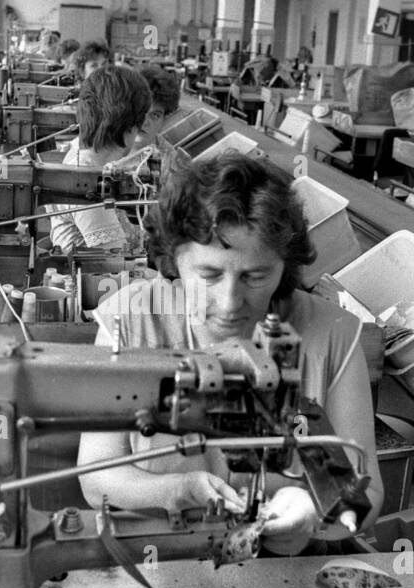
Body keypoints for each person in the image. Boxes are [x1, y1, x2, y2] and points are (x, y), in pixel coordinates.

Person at [77, 153, 385, 555]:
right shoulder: (131, 321)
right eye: (208, 276)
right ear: (174, 259)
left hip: (286, 565)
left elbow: (368, 492)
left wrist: (313, 518)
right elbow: (96, 476)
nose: (229, 302)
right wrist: (178, 490)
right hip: (158, 554)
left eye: (256, 277)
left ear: (283, 267)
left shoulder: (331, 333)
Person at [51, 66, 152, 252]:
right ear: (130, 127)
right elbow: (117, 267)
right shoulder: (86, 182)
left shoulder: (85, 157)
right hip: (97, 278)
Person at [134, 63, 181, 145]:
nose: (144, 122)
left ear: (164, 120)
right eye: (140, 111)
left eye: (155, 115)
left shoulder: (168, 156)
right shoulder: (106, 147)